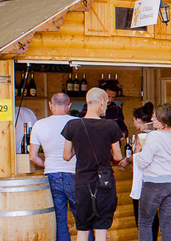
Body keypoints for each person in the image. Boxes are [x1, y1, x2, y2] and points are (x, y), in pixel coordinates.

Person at [60, 88, 125, 241]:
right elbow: (117, 156)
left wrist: (79, 145)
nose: (107, 107)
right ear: (102, 102)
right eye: (107, 104)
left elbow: (66, 156)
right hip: (104, 182)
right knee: (101, 229)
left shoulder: (72, 125)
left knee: (83, 229)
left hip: (82, 182)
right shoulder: (111, 126)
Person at [28, 93, 79, 241]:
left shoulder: (39, 125)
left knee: (59, 221)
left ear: (51, 105)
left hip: (52, 175)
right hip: (74, 173)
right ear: (69, 105)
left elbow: (32, 156)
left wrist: (48, 163)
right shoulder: (77, 122)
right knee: (82, 219)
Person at [133, 104, 171, 241]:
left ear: (163, 121)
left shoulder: (154, 136)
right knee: (167, 223)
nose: (152, 119)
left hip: (155, 183)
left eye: (155, 117)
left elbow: (143, 161)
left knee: (145, 221)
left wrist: (137, 153)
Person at [128, 103, 160, 240]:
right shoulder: (156, 133)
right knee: (154, 215)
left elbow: (137, 157)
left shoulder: (142, 136)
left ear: (137, 119)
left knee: (142, 218)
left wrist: (127, 160)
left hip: (143, 181)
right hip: (156, 179)